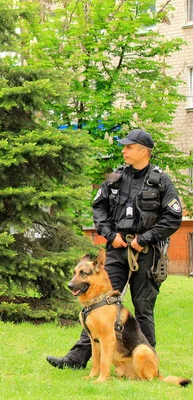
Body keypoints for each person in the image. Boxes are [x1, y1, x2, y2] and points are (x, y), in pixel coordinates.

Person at [46, 128, 183, 370]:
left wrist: (144, 239)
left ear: (143, 151)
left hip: (147, 252)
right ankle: (75, 360)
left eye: (129, 147)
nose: (124, 150)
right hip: (117, 249)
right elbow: (98, 207)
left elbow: (173, 218)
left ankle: (147, 362)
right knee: (97, 304)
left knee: (143, 308)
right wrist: (111, 235)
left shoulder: (161, 181)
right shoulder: (116, 177)